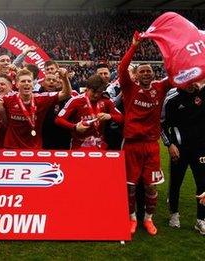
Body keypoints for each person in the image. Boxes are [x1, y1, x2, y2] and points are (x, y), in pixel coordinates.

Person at [119, 33, 172, 236]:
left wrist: (171, 51)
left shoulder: (160, 88)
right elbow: (122, 68)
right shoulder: (129, 88)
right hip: (132, 144)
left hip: (151, 145)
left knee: (150, 186)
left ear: (153, 73)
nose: (146, 74)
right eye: (142, 71)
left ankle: (148, 219)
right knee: (130, 187)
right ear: (137, 75)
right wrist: (133, 46)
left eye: (149, 71)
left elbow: (175, 75)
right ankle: (132, 219)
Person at [160, 84, 205, 234]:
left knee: (202, 184)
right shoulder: (172, 97)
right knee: (176, 183)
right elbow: (162, 125)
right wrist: (170, 144)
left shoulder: (202, 94)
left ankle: (201, 220)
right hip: (179, 148)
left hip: (200, 148)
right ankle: (174, 214)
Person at [0, 68, 71, 149]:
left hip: (34, 148)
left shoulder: (42, 98)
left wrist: (64, 78)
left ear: (33, 84)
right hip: (12, 147)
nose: (27, 83)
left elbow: (66, 94)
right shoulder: (8, 99)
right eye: (23, 81)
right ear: (17, 85)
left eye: (29, 81)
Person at [55, 74, 123, 150]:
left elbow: (121, 118)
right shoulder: (76, 101)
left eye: (99, 92)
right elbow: (59, 119)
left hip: (99, 146)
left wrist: (110, 116)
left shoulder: (106, 100)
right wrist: (75, 127)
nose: (96, 95)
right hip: (79, 146)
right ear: (87, 88)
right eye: (93, 92)